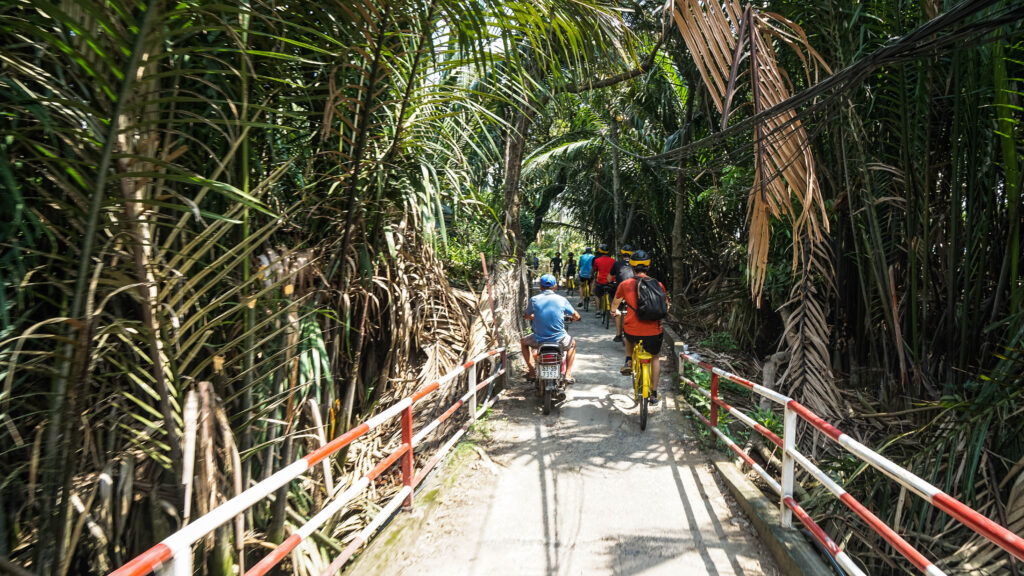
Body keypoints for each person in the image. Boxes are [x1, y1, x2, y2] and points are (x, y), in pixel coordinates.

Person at [610, 250, 668, 404]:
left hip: (633, 329)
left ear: (632, 267)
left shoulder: (625, 284)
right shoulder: (659, 284)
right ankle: (654, 393)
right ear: (648, 267)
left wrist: (613, 311)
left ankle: (628, 361)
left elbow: (615, 304)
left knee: (628, 334)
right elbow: (666, 306)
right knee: (655, 357)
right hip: (654, 330)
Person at [521, 274, 580, 383]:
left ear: (540, 287)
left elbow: (526, 315)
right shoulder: (562, 300)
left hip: (539, 339)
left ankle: (532, 372)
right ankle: (568, 374)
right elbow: (576, 315)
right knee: (572, 344)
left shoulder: (534, 300)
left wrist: (532, 316)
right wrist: (576, 318)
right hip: (559, 339)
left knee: (523, 342)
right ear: (555, 286)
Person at [609, 244, 635, 342]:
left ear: (622, 254)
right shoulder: (635, 265)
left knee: (616, 309)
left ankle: (618, 334)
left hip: (621, 292)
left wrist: (611, 282)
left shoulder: (617, 264)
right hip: (633, 293)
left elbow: (609, 278)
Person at [592, 243, 616, 316]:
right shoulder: (613, 261)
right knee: (612, 295)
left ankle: (598, 311)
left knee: (597, 295)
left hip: (600, 282)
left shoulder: (597, 260)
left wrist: (591, 275)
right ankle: (613, 310)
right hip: (611, 282)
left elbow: (594, 270)